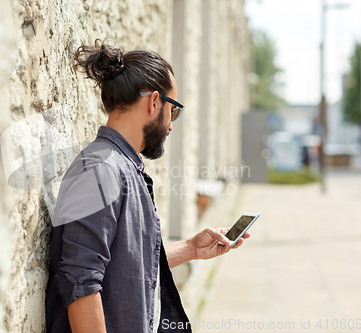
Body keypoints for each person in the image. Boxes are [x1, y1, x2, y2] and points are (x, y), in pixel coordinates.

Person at [45, 38, 250, 333]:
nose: (170, 124)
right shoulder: (101, 169)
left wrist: (191, 248)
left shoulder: (120, 166)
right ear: (154, 102)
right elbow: (80, 282)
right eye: (174, 110)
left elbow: (128, 265)